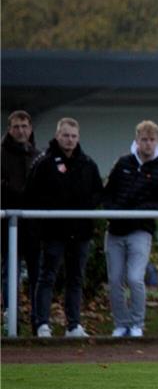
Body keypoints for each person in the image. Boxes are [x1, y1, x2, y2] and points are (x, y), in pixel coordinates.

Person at [26, 118, 103, 338]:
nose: (69, 140)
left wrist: (86, 205)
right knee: (47, 276)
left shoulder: (88, 164)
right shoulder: (44, 162)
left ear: (78, 138)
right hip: (53, 232)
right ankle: (42, 324)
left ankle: (73, 325)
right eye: (66, 135)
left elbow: (98, 192)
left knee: (76, 278)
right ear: (58, 135)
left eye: (73, 136)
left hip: (80, 233)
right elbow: (31, 195)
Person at [103, 120, 158, 338]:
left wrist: (140, 210)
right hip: (115, 231)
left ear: (157, 141)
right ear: (137, 141)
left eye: (152, 140)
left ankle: (137, 324)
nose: (148, 144)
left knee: (135, 278)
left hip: (140, 231)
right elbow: (107, 192)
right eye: (144, 139)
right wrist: (112, 210)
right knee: (115, 280)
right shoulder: (123, 163)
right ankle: (120, 323)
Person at [1, 110, 42, 332]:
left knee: (38, 273)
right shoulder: (1, 154)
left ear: (30, 128)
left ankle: (39, 319)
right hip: (8, 226)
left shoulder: (38, 155)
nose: (21, 130)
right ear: (9, 129)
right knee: (10, 272)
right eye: (16, 126)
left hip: (34, 227)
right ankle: (11, 317)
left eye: (24, 126)